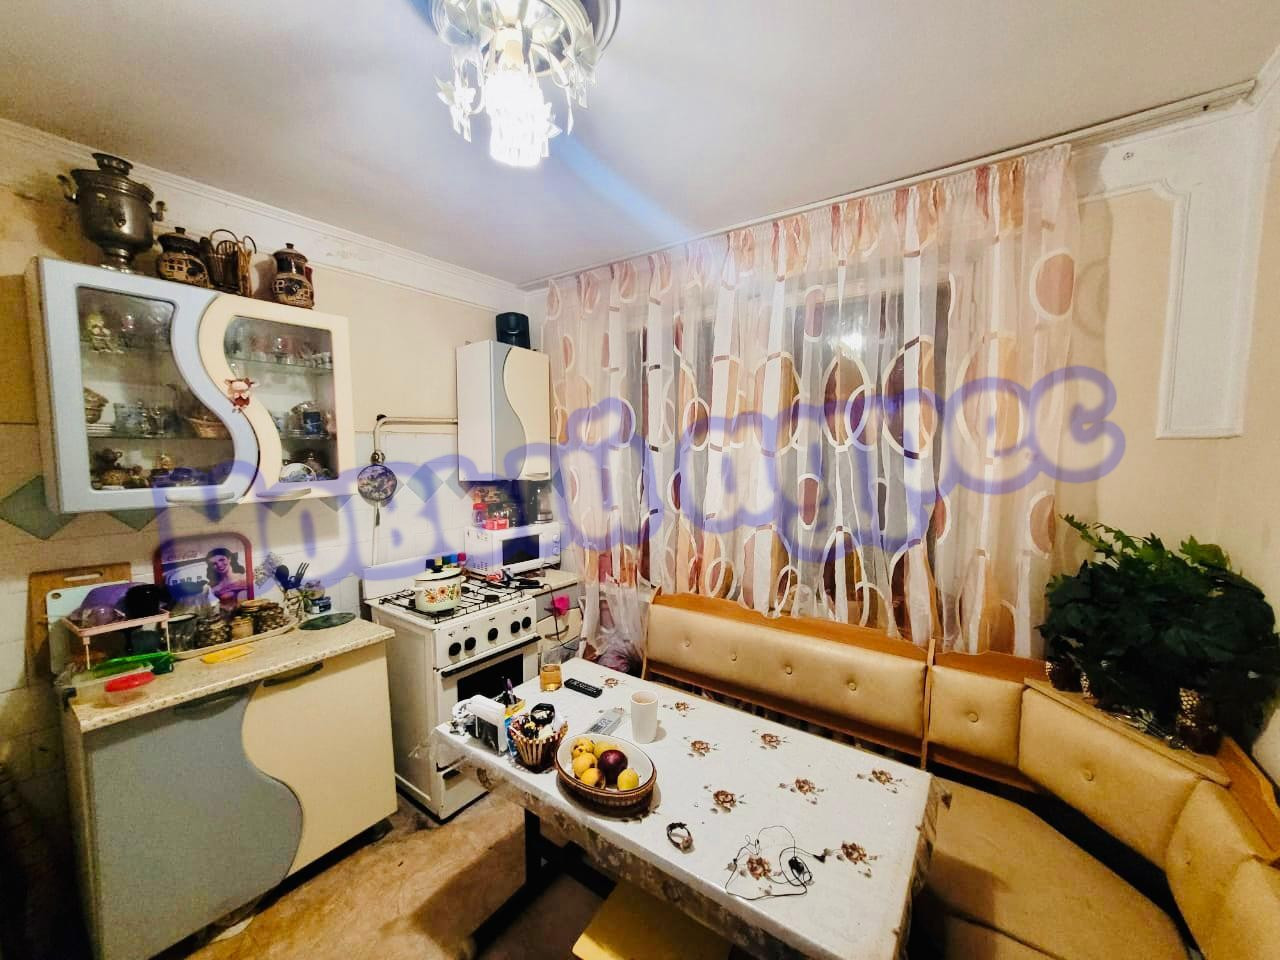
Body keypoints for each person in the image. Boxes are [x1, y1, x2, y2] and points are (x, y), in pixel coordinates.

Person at [205, 547, 248, 614]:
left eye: (221, 560)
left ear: (229, 559)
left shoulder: (244, 578)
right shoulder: (214, 586)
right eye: (214, 564)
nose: (219, 565)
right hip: (226, 617)